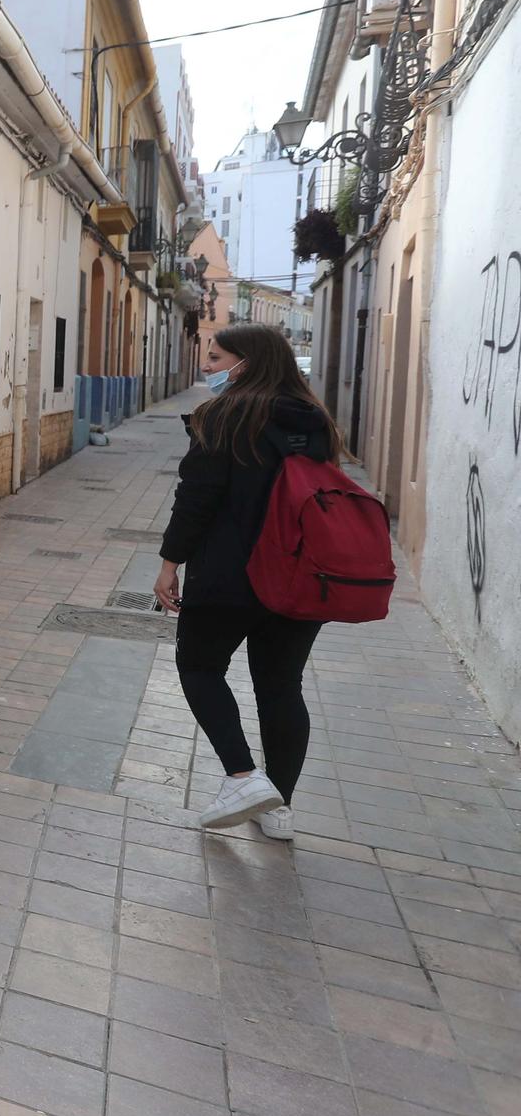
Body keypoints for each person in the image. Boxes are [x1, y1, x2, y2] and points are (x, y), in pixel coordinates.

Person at [155, 324, 343, 840]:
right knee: (281, 686)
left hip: (228, 576)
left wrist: (170, 563)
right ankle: (277, 807)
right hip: (301, 576)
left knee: (198, 666)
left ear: (247, 362)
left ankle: (242, 776)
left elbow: (196, 499)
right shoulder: (316, 421)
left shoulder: (224, 416)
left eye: (216, 359)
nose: (208, 367)